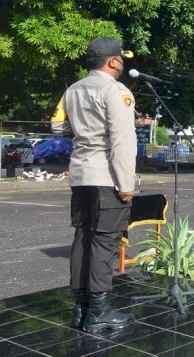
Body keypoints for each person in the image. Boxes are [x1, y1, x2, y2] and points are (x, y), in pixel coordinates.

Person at [51, 37, 136, 332]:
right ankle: (99, 315)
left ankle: (81, 309)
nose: (123, 63)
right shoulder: (117, 91)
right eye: (121, 59)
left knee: (82, 238)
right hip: (107, 179)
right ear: (113, 61)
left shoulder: (72, 90)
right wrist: (126, 184)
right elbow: (123, 142)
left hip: (81, 176)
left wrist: (84, 134)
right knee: (105, 243)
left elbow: (57, 126)